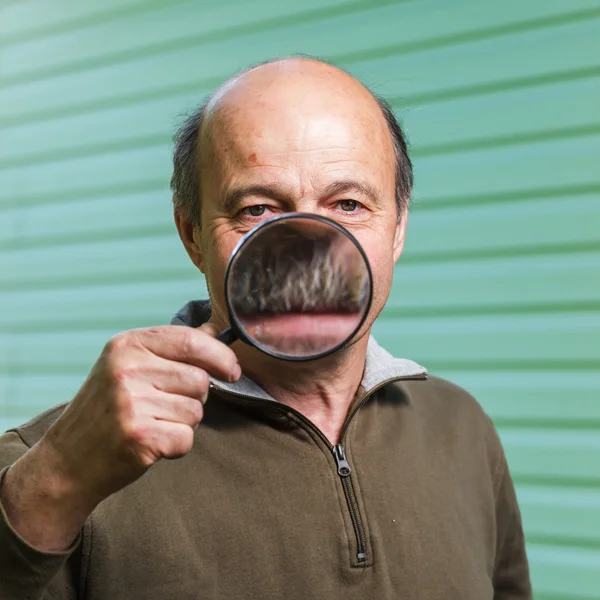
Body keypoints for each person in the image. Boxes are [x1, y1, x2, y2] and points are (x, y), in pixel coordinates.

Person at [0, 57, 532, 599]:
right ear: (193, 236)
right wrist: (52, 486)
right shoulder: (48, 466)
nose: (304, 248)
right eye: (257, 209)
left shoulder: (462, 428)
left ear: (397, 230)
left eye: (348, 204)